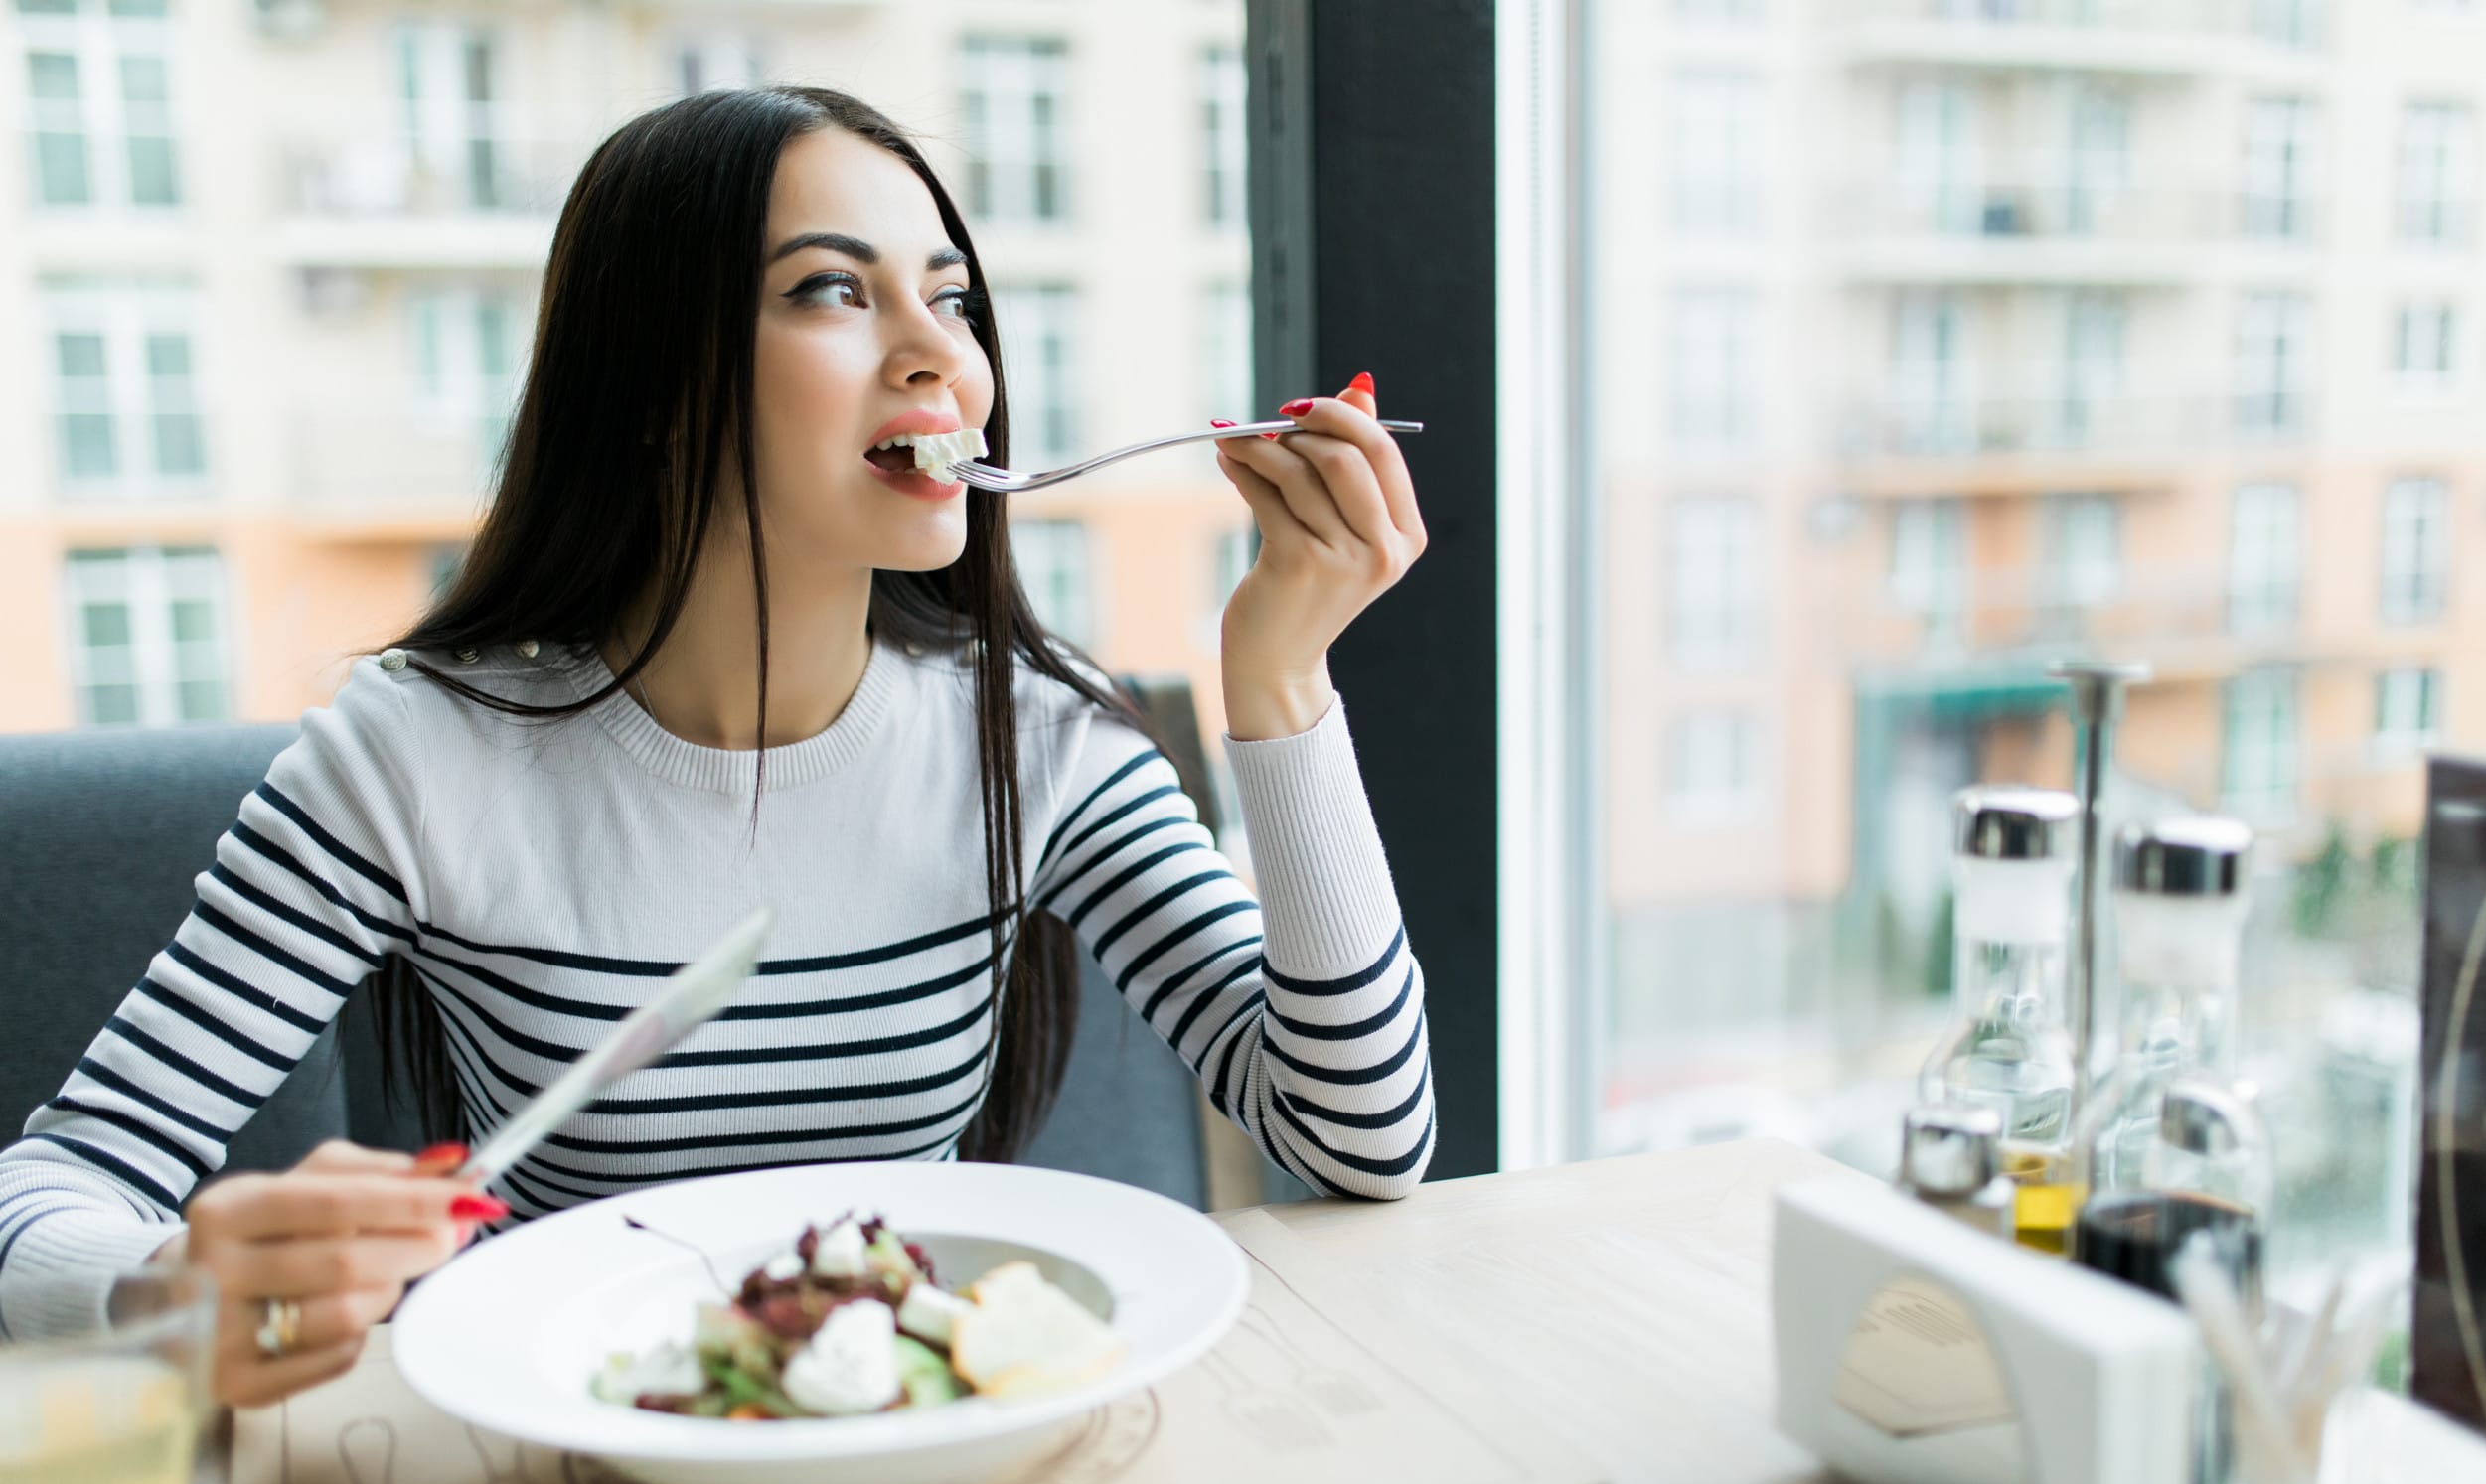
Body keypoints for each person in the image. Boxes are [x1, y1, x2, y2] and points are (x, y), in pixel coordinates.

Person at [0, 87, 1434, 1405]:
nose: (944, 353)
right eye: (832, 290)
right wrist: (164, 1288)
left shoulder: (1038, 740)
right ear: (653, 383)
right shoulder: (414, 762)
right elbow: (54, 1185)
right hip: (573, 1470)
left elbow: (1357, 1142)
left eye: (948, 297)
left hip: (920, 1450)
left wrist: (1284, 677)